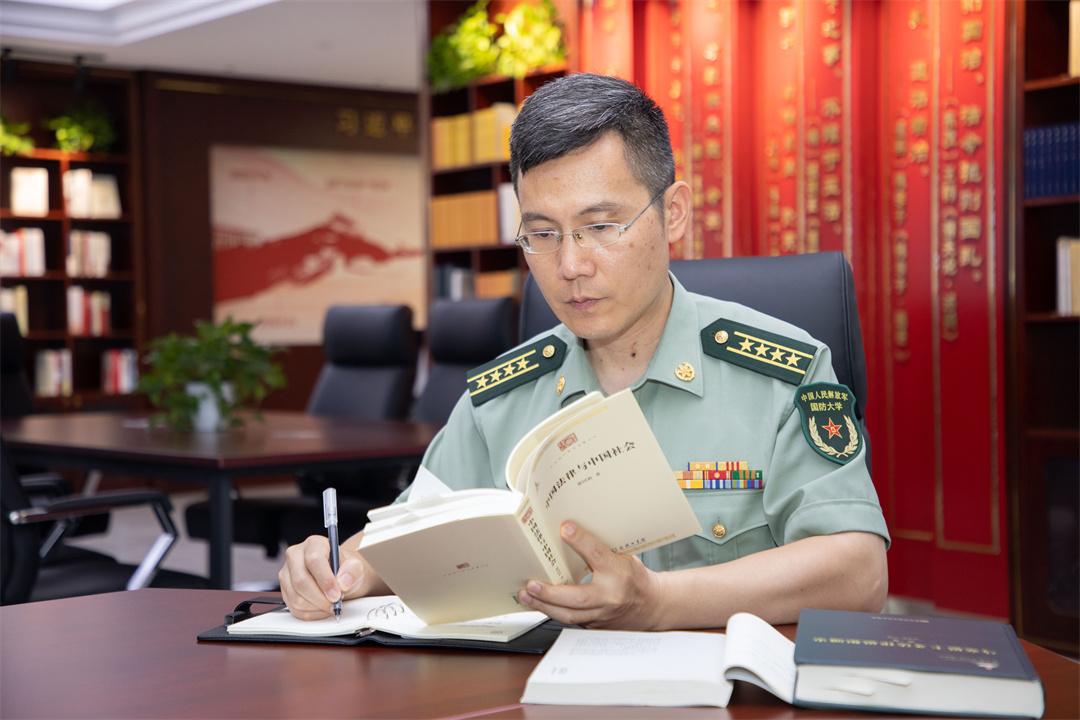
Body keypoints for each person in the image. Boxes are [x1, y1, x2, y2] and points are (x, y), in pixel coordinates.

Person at [279, 73, 889, 630]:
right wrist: (342, 569)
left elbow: (858, 571)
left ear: (673, 213)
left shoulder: (780, 372)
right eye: (542, 234)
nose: (570, 265)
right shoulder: (502, 397)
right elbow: (414, 530)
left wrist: (659, 601)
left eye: (600, 226)